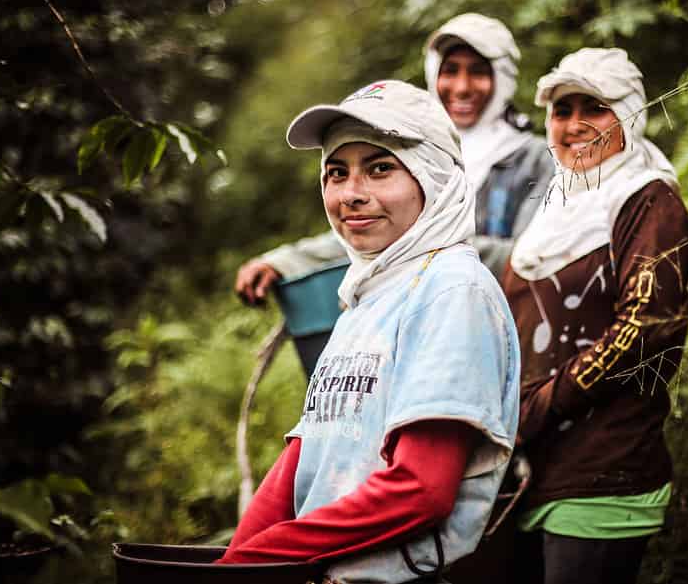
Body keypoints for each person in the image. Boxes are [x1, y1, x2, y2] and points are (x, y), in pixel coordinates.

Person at [217, 79, 521, 584]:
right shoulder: (367, 294)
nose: (352, 195)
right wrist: (233, 563)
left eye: (380, 169)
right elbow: (308, 450)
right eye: (336, 173)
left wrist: (263, 557)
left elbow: (421, 488)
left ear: (434, 177)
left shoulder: (451, 289)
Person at [500, 48, 688, 584]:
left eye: (597, 107)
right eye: (563, 110)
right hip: (528, 471)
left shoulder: (647, 199)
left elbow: (647, 326)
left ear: (630, 113)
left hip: (604, 470)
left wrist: (537, 407)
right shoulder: (555, 208)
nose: (575, 124)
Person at [235, 13, 554, 304]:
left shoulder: (535, 159)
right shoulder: (415, 146)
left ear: (504, 78)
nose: (461, 87)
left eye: (478, 72)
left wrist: (421, 242)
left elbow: (531, 257)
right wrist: (285, 261)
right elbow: (372, 225)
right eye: (450, 70)